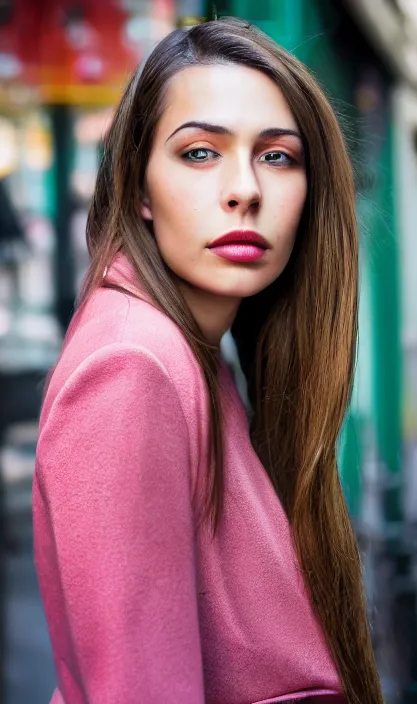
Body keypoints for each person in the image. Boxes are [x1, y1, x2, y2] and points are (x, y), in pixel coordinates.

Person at [33, 18, 383, 704]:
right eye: (200, 153)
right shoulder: (134, 368)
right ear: (139, 189)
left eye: (277, 156)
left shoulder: (194, 355)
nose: (244, 189)